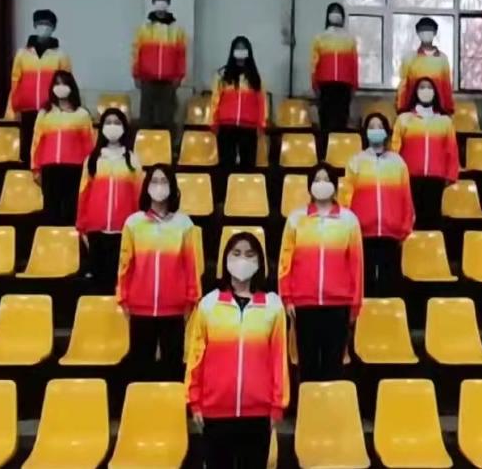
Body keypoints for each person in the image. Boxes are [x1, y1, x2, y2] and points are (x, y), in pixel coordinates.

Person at [186, 232, 288, 469]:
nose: (243, 259)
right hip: (215, 412)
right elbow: (195, 357)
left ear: (260, 262)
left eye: (250, 255)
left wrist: (277, 405)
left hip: (258, 415)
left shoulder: (273, 306)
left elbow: (279, 360)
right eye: (237, 253)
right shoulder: (209, 304)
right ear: (226, 259)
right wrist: (195, 401)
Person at [278, 163, 363, 382]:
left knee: (333, 368)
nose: (321, 184)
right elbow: (285, 262)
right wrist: (287, 298)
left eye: (326, 180)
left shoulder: (349, 220)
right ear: (310, 186)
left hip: (338, 305)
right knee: (307, 367)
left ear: (334, 185)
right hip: (304, 304)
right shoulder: (296, 219)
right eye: (317, 180)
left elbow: (356, 265)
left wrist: (355, 304)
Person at [117, 164, 199, 381]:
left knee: (172, 369)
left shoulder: (184, 224)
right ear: (146, 186)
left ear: (172, 187)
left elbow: (191, 266)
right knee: (140, 369)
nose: (159, 186)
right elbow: (125, 265)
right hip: (140, 308)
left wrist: (191, 300)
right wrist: (123, 297)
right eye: (154, 181)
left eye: (164, 181)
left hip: (174, 310)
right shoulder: (133, 223)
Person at [343, 113, 414, 297]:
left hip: (391, 234)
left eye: (380, 126)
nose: (376, 130)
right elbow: (346, 198)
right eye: (371, 127)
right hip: (363, 234)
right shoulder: (356, 162)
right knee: (365, 283)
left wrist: (404, 229)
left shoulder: (398, 163)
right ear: (365, 132)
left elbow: (406, 198)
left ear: (386, 132)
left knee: (389, 285)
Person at [76, 108, 144, 287]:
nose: (112, 126)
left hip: (123, 231)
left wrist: (137, 226)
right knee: (98, 283)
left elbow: (139, 195)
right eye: (108, 122)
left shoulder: (132, 160)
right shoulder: (92, 160)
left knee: (118, 282)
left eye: (117, 122)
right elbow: (84, 193)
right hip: (96, 230)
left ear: (124, 128)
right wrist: (82, 225)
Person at [391, 77, 459, 225]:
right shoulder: (403, 119)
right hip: (410, 177)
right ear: (416, 92)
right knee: (412, 219)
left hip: (436, 178)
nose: (426, 91)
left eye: (429, 87)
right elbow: (395, 149)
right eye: (422, 87)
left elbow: (452, 151)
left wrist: (451, 176)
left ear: (435, 92)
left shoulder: (445, 122)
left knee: (433, 219)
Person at [9, 9, 72, 163]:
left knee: (46, 148)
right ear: (35, 25)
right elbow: (15, 81)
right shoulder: (22, 54)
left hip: (51, 109)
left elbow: (67, 84)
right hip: (27, 110)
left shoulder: (61, 56)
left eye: (48, 24)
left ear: (53, 28)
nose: (44, 27)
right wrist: (15, 107)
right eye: (40, 23)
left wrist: (64, 107)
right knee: (26, 151)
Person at [31, 70, 94, 225]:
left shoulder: (82, 115)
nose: (60, 87)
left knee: (70, 211)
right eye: (57, 83)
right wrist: (35, 168)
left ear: (71, 87)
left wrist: (89, 170)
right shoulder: (44, 114)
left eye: (64, 83)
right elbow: (36, 142)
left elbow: (89, 145)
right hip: (50, 168)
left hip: (74, 169)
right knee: (50, 212)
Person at [210, 36, 268, 183]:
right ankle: (224, 195)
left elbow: (262, 102)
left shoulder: (255, 77)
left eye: (243, 48)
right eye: (238, 48)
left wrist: (262, 124)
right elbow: (215, 100)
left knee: (248, 167)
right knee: (226, 167)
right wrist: (213, 121)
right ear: (232, 51)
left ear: (249, 51)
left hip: (249, 128)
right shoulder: (222, 75)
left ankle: (245, 194)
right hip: (226, 127)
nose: (240, 51)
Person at [132, 0, 187, 136]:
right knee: (146, 118)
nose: (161, 2)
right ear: (153, 2)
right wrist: (136, 74)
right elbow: (135, 52)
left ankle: (167, 146)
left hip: (169, 81)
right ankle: (144, 146)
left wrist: (179, 76)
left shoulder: (177, 30)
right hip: (147, 79)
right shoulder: (144, 29)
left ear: (168, 2)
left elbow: (181, 55)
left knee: (167, 118)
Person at [311, 2, 359, 149]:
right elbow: (313, 63)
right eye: (333, 11)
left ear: (343, 16)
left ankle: (339, 150)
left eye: (338, 11)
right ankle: (324, 152)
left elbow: (354, 63)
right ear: (327, 15)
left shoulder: (350, 39)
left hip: (344, 85)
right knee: (325, 121)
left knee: (341, 120)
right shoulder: (320, 38)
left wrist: (354, 85)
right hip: (325, 85)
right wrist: (314, 84)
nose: (335, 13)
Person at [395, 16, 455, 114]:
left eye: (429, 30)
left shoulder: (442, 59)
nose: (426, 33)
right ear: (418, 33)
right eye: (423, 30)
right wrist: (402, 108)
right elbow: (404, 85)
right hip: (414, 111)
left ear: (435, 33)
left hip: (437, 111)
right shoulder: (409, 58)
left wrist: (448, 110)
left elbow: (446, 86)